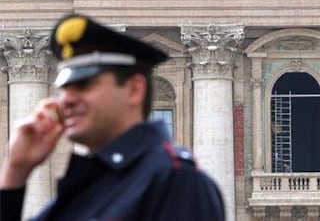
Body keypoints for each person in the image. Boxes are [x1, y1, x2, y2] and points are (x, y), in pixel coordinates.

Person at [0, 14, 225, 221]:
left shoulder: (175, 180)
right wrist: (16, 171)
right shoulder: (84, 188)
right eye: (64, 87)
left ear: (134, 89)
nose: (66, 99)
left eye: (83, 84)